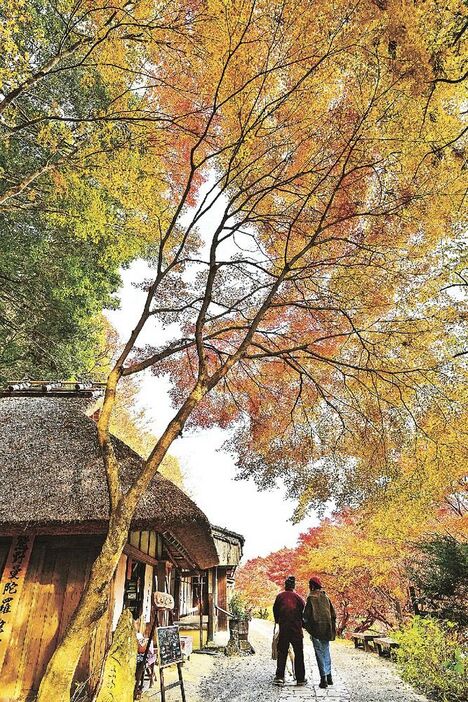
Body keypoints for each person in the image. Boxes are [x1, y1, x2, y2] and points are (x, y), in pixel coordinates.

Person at [302, 575, 336, 689]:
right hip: (327, 629)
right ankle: (329, 676)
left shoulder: (311, 598)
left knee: (319, 653)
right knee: (326, 651)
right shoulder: (325, 597)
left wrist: (304, 625)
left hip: (316, 630)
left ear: (311, 585)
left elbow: (306, 616)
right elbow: (333, 614)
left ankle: (323, 679)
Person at [272, 575, 307, 686]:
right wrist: (303, 624)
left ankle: (280, 677)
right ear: (293, 586)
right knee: (299, 653)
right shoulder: (298, 598)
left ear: (285, 586)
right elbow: (304, 612)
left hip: (284, 628)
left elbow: (275, 610)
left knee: (282, 652)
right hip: (296, 629)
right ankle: (300, 678)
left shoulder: (280, 597)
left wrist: (278, 620)